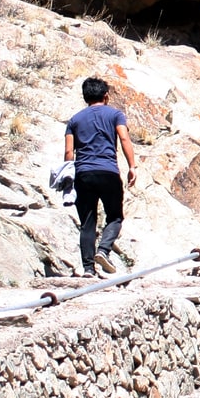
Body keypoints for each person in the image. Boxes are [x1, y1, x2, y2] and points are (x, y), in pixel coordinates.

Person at [63, 77, 139, 275]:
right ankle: (104, 250)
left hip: (83, 174)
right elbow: (123, 138)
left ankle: (88, 268)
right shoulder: (115, 115)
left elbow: (69, 153)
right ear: (106, 96)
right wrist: (132, 166)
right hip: (108, 172)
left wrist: (68, 175)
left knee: (87, 222)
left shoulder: (75, 120)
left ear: (85, 96)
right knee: (114, 216)